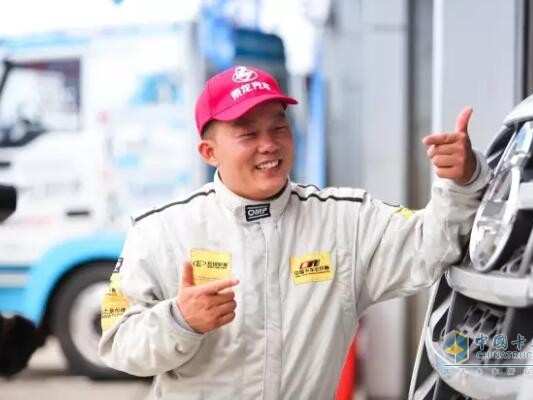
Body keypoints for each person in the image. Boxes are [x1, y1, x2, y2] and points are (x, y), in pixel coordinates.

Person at [99, 65, 491, 399]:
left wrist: (462, 181)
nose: (269, 145)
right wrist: (180, 321)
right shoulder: (159, 231)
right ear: (209, 152)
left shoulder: (346, 221)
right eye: (248, 134)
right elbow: (118, 344)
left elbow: (432, 245)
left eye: (279, 128)